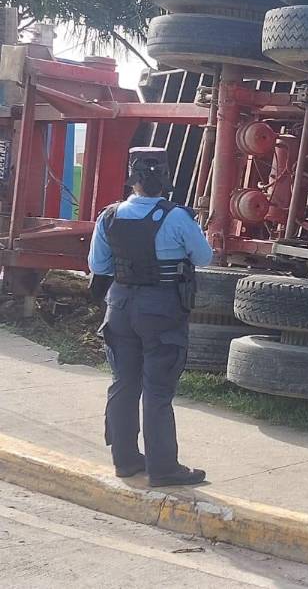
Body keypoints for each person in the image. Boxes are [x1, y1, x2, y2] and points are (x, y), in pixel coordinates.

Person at [87, 147, 213, 487]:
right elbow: (204, 256)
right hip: (161, 310)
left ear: (132, 177)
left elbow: (98, 267)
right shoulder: (176, 217)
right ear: (166, 178)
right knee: (157, 390)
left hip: (120, 307)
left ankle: (125, 460)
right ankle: (163, 468)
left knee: (123, 384)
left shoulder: (109, 216)